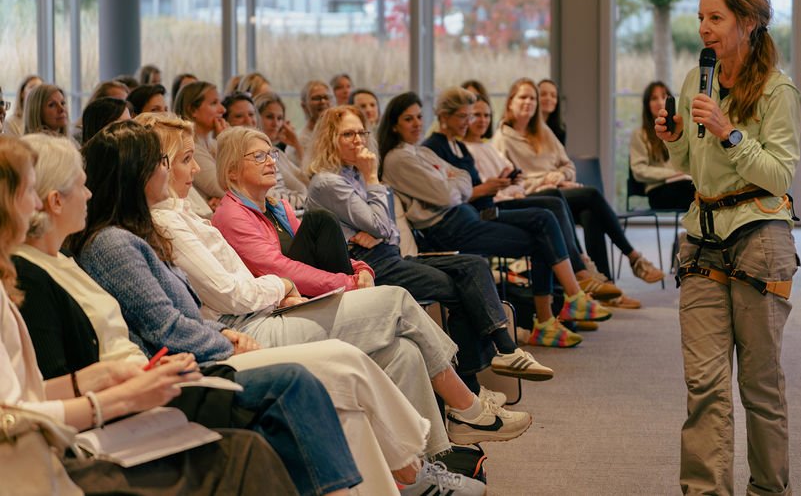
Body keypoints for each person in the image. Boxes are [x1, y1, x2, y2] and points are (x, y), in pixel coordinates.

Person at [68, 121, 498, 493]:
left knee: (396, 349)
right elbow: (178, 320)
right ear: (135, 175)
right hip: (220, 347)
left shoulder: (150, 228)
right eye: (168, 162)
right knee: (384, 317)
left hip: (238, 326)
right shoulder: (119, 241)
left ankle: (426, 463)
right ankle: (442, 443)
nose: (190, 169)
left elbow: (196, 307)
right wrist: (232, 335)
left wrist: (328, 277)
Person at [0, 135, 301, 496]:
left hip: (120, 395)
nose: (35, 203)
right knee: (264, 423)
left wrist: (103, 376)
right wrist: (122, 394)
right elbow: (13, 414)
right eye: (29, 192)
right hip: (49, 455)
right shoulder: (59, 261)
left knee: (270, 423)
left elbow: (25, 395)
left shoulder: (58, 260)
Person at [208, 124, 532, 450]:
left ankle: (433, 457)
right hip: (277, 311)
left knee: (405, 351)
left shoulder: (278, 207)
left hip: (308, 295)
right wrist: (348, 283)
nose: (271, 162)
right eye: (259, 156)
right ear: (233, 169)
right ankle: (468, 407)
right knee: (398, 299)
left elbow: (328, 250)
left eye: (273, 154)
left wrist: (361, 268)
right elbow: (279, 268)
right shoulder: (232, 215)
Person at [655, 0, 800, 496]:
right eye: (700, 18)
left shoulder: (777, 90)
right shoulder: (697, 78)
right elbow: (695, 163)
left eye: (715, 18)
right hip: (700, 239)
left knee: (760, 387)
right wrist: (674, 140)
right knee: (705, 388)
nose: (704, 29)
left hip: (760, 239)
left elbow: (780, 175)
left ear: (749, 22)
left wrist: (729, 132)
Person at [305, 105, 553, 382]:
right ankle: (476, 385)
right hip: (365, 266)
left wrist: (379, 229)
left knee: (473, 264)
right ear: (330, 139)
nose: (358, 140)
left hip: (388, 255)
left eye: (361, 132)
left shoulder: (354, 174)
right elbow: (381, 225)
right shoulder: (329, 182)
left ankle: (505, 352)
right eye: (347, 134)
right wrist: (373, 181)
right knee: (457, 288)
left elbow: (391, 231)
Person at [379, 92, 611, 349]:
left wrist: (456, 183)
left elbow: (464, 178)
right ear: (394, 124)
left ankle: (557, 311)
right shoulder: (399, 158)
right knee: (543, 226)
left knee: (546, 220)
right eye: (408, 119)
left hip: (464, 216)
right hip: (449, 227)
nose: (417, 123)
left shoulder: (419, 151)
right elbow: (447, 194)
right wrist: (455, 183)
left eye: (419, 117)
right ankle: (563, 304)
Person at [431, 88, 632, 308]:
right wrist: (490, 187)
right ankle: (577, 287)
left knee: (565, 208)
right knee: (553, 215)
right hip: (479, 213)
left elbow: (486, 182)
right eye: (465, 116)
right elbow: (456, 193)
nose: (470, 121)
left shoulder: (461, 146)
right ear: (444, 116)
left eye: (477, 115)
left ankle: (573, 291)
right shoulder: (442, 148)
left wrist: (503, 184)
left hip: (495, 201)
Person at [492, 78, 664, 284]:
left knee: (590, 214)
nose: (528, 102)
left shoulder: (543, 132)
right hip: (536, 197)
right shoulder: (501, 139)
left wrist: (561, 177)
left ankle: (605, 284)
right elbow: (510, 185)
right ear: (510, 101)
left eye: (532, 98)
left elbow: (568, 166)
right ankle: (633, 257)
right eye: (523, 97)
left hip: (558, 191)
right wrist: (546, 182)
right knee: (591, 194)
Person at [631, 81, 696, 210]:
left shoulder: (681, 130)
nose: (660, 102)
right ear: (647, 104)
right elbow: (639, 170)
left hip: (684, 182)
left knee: (700, 189)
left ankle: (693, 229)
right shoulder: (640, 134)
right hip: (658, 190)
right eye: (654, 98)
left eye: (664, 96)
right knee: (694, 192)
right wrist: (672, 173)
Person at [174, 80, 228, 206]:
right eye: (214, 103)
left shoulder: (214, 144)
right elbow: (226, 188)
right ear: (193, 110)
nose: (223, 109)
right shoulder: (190, 149)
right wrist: (226, 142)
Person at [255, 92, 309, 209]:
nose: (275, 124)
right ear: (256, 118)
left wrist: (296, 144)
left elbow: (306, 180)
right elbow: (273, 198)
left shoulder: (275, 151)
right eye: (269, 117)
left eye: (279, 118)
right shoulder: (256, 154)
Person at [288, 80, 332, 167]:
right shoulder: (300, 140)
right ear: (304, 106)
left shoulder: (337, 133)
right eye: (316, 98)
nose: (322, 101)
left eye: (326, 97)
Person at [538, 78, 566, 145]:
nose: (548, 98)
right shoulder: (525, 126)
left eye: (553, 96)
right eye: (543, 94)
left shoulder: (560, 128)